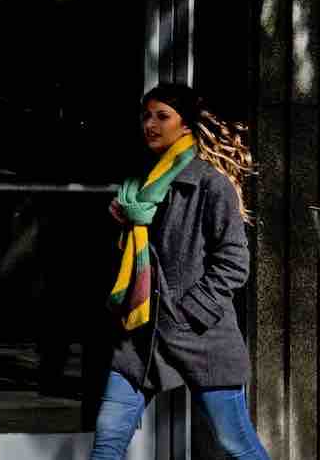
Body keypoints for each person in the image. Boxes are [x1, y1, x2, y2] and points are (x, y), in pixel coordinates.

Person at [91, 83, 269, 459]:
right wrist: (121, 226)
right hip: (140, 335)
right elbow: (140, 262)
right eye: (146, 115)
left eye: (162, 116)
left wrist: (188, 312)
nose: (150, 124)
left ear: (185, 126)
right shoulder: (137, 187)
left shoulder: (210, 185)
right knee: (107, 439)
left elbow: (234, 263)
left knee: (236, 444)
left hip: (201, 338)